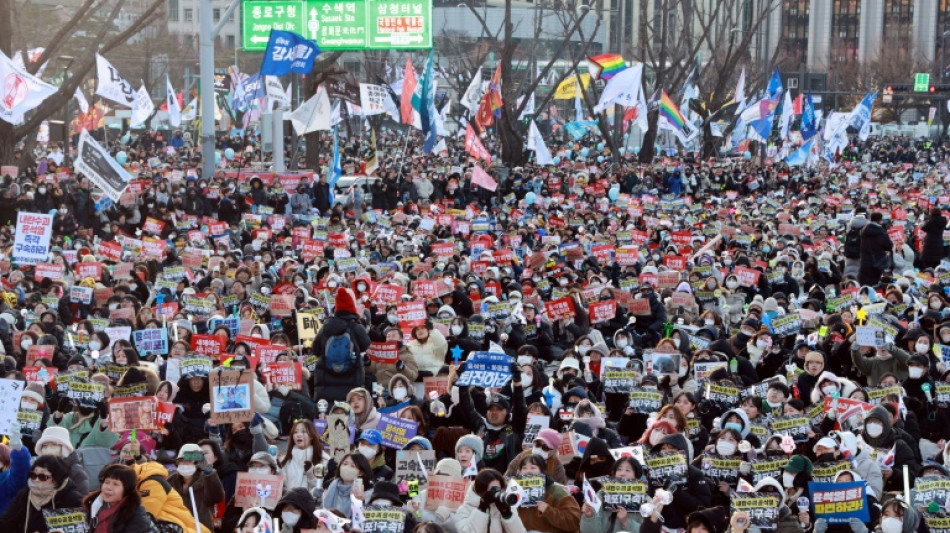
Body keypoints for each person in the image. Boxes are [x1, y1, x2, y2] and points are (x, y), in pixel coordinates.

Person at [0, 455, 84, 533]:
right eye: (33, 475)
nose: (36, 480)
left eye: (42, 477)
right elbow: (5, 522)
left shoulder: (72, 499)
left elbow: (77, 530)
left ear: (56, 478)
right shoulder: (24, 495)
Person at [513, 454, 581, 533]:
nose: (528, 471)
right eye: (524, 468)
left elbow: (573, 522)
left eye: (533, 467)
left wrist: (547, 510)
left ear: (542, 471)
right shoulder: (515, 493)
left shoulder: (556, 491)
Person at [167, 443, 225, 532]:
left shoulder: (206, 480)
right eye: (181, 460)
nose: (185, 464)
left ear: (197, 463)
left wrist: (209, 471)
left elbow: (217, 496)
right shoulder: (171, 481)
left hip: (201, 529)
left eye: (189, 461)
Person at [83, 464, 152, 533]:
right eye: (107, 482)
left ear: (126, 489)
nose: (108, 487)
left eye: (115, 484)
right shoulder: (94, 505)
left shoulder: (136, 515)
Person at [455, 468, 528, 533]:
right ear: (480, 491)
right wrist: (481, 509)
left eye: (498, 489)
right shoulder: (464, 510)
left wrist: (507, 515)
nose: (496, 492)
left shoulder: (507, 507)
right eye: (492, 490)